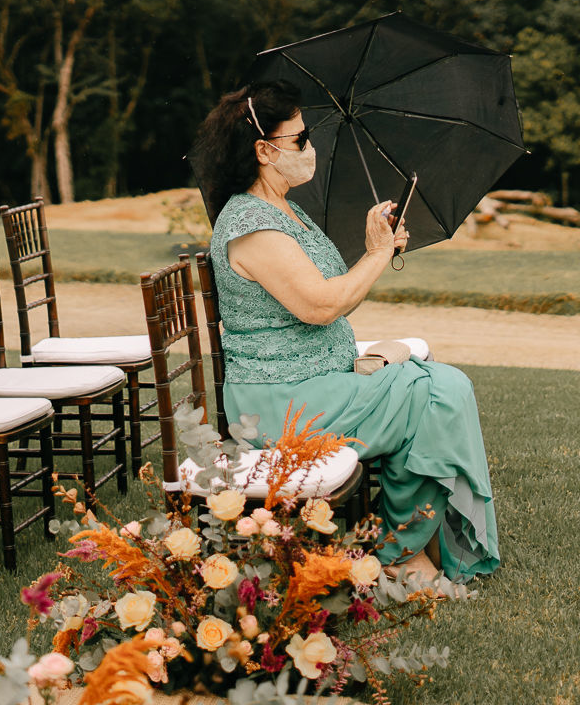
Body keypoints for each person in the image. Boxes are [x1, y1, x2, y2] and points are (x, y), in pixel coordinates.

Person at [191, 79, 500, 583]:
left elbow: (328, 290)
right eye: (301, 138)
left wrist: (375, 249)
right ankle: (398, 554)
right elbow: (320, 305)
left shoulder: (285, 209)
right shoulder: (254, 225)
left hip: (317, 383)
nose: (311, 147)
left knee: (439, 383)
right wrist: (377, 254)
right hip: (282, 401)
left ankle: (408, 545)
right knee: (438, 393)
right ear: (264, 150)